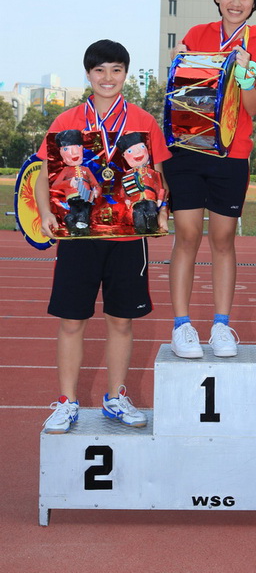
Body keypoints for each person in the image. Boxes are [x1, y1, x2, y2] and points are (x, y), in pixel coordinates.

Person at [35, 39, 171, 434]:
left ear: (125, 74)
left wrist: (162, 210)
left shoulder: (143, 121)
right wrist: (46, 213)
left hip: (127, 239)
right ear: (88, 74)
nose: (107, 78)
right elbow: (45, 175)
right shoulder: (67, 121)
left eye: (115, 70)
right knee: (71, 321)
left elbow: (159, 176)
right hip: (79, 237)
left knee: (121, 321)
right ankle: (67, 402)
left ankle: (115, 397)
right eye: (99, 70)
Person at [164, 0, 256, 359]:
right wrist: (179, 63)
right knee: (187, 235)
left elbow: (254, 107)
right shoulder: (197, 34)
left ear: (254, 3)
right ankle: (181, 325)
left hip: (232, 152)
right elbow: (180, 92)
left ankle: (221, 325)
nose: (235, 2)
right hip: (188, 148)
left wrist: (244, 73)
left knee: (224, 239)